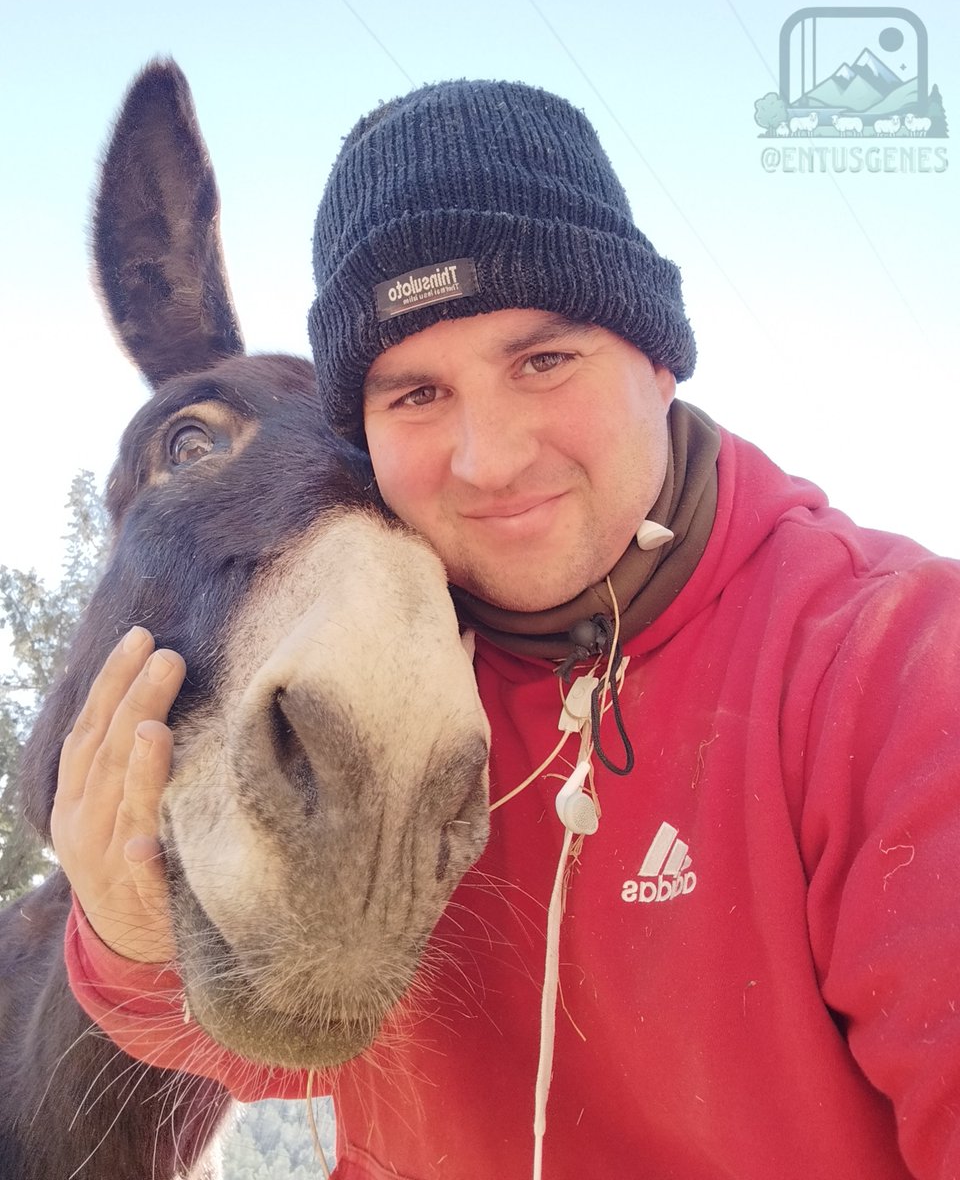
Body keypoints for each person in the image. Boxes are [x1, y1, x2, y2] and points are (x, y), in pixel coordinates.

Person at [52, 80, 960, 1180]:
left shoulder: (900, 669)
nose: (489, 458)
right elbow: (283, 1053)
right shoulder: (391, 665)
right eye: (416, 393)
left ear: (659, 357)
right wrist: (137, 939)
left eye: (543, 361)